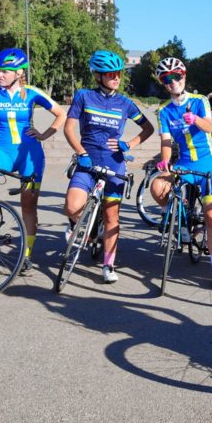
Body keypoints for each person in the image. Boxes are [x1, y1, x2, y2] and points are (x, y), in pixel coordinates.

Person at [0, 47, 66, 273]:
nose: (0, 74)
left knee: (28, 205)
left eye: (6, 71)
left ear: (19, 72)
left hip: (30, 155)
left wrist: (45, 134)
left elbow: (61, 113)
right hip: (3, 151)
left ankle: (26, 255)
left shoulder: (32, 93)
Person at [63, 50, 154, 284]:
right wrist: (81, 152)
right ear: (98, 76)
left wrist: (128, 144)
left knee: (112, 216)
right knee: (72, 207)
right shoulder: (83, 96)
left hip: (114, 164)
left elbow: (148, 128)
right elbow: (69, 129)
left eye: (119, 74)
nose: (116, 78)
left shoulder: (125, 103)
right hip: (87, 161)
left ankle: (108, 263)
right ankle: (87, 228)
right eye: (110, 74)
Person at [148, 57, 212, 290]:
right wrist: (164, 161)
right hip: (183, 162)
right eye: (166, 79)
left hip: (208, 164)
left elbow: (210, 127)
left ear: (184, 76)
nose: (173, 82)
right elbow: (165, 141)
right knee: (157, 187)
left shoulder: (200, 100)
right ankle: (181, 223)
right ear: (163, 84)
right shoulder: (164, 111)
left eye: (177, 76)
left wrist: (196, 119)